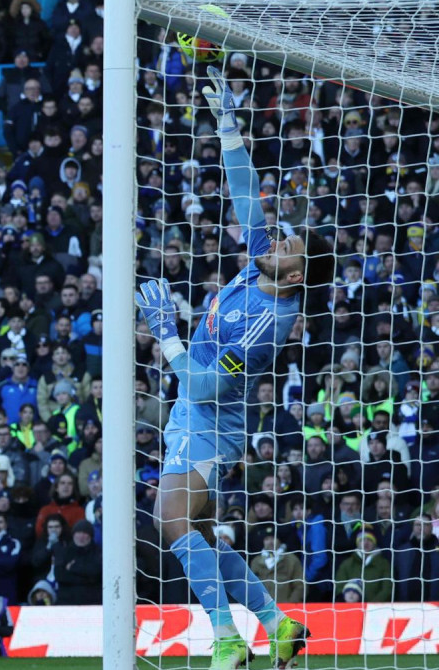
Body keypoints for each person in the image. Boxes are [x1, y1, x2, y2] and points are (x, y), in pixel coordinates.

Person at [137, 67, 335, 670]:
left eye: (287, 247)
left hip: (211, 421)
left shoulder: (269, 320)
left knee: (169, 520)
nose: (276, 242)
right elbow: (247, 195)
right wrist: (227, 125)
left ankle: (226, 637)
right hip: (191, 414)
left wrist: (167, 333)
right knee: (196, 535)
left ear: (296, 274)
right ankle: (278, 624)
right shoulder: (261, 267)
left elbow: (200, 381)